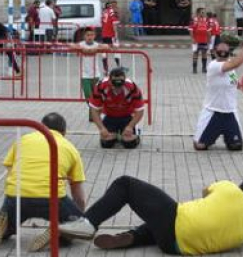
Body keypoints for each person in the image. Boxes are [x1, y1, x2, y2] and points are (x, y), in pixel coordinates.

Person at [59, 177, 243, 255]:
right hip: (176, 247)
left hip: (178, 222)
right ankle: (133, 237)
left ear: (242, 188)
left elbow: (205, 192)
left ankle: (88, 223)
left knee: (126, 184)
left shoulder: (230, 188)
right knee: (157, 220)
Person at [0, 112, 86, 251]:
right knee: (81, 227)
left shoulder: (23, 140)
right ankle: (60, 231)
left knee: (8, 223)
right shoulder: (70, 147)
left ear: (40, 127)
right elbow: (79, 196)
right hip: (52, 198)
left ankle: (6, 226)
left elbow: (10, 172)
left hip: (16, 196)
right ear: (64, 132)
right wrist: (79, 217)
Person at [193, 41, 243, 151]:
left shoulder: (230, 67)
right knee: (200, 146)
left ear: (228, 53)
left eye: (225, 52)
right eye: (220, 51)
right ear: (215, 53)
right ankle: (210, 135)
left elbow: (235, 82)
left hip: (230, 112)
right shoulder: (214, 66)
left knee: (236, 146)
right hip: (213, 112)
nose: (222, 54)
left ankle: (226, 136)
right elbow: (236, 63)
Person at [89, 67, 145, 149]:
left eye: (120, 86)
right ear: (110, 82)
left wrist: (130, 126)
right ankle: (117, 135)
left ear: (124, 81)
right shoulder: (100, 87)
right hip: (110, 116)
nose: (117, 89)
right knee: (106, 143)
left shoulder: (132, 87)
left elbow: (140, 110)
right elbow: (94, 109)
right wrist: (101, 128)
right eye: (115, 86)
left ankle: (125, 135)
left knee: (129, 144)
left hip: (128, 116)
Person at [70, 27, 109, 121]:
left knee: (96, 96)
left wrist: (95, 49)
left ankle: (93, 116)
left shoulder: (96, 44)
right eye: (87, 35)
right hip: (85, 75)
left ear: (95, 36)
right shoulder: (81, 44)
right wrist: (83, 49)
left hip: (96, 74)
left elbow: (106, 46)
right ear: (84, 36)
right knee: (88, 96)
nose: (90, 37)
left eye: (91, 35)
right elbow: (71, 45)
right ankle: (94, 113)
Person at [101, 1, 121, 74]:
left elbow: (102, 22)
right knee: (116, 51)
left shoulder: (104, 12)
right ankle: (118, 67)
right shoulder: (112, 12)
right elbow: (114, 24)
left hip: (104, 34)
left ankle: (105, 69)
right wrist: (116, 35)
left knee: (104, 52)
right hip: (111, 35)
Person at [189, 7, 210, 74]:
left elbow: (209, 31)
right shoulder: (193, 20)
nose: (203, 14)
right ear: (198, 13)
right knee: (195, 54)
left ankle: (204, 68)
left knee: (204, 54)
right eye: (202, 12)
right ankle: (194, 69)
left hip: (204, 40)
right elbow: (191, 30)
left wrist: (209, 40)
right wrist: (192, 39)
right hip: (196, 40)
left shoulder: (206, 20)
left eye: (204, 12)